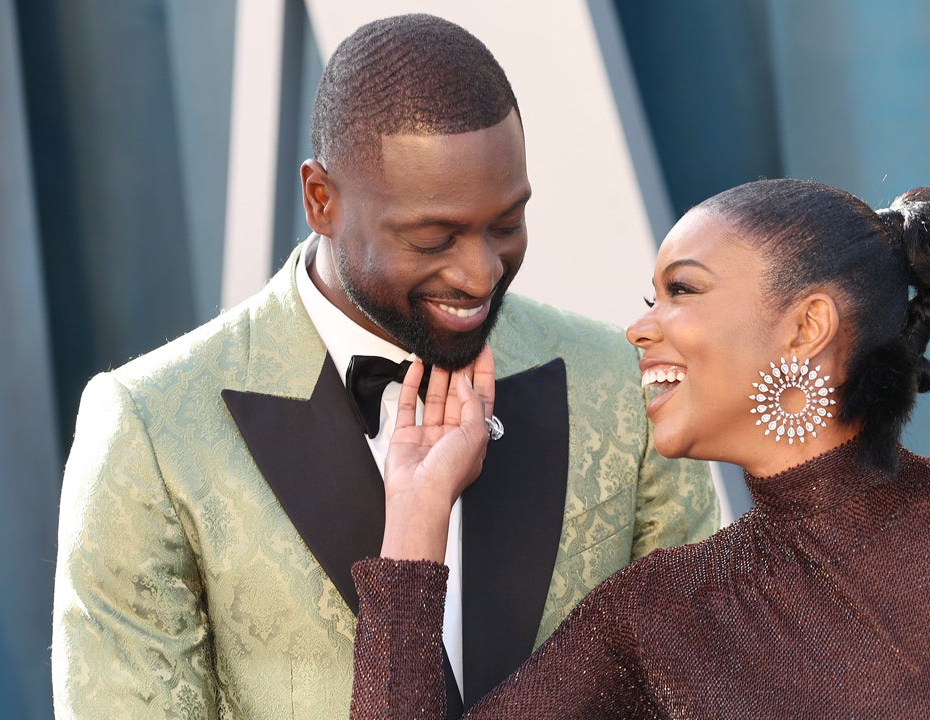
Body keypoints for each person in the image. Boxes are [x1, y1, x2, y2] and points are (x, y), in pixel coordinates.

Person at [50, 14, 718, 719]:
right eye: (434, 237)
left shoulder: (617, 377)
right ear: (321, 200)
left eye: (507, 223)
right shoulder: (151, 428)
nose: (481, 272)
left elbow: (708, 683)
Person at [351, 179, 930, 718]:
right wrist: (418, 509)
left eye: (682, 291)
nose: (640, 328)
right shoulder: (654, 616)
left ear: (807, 326)